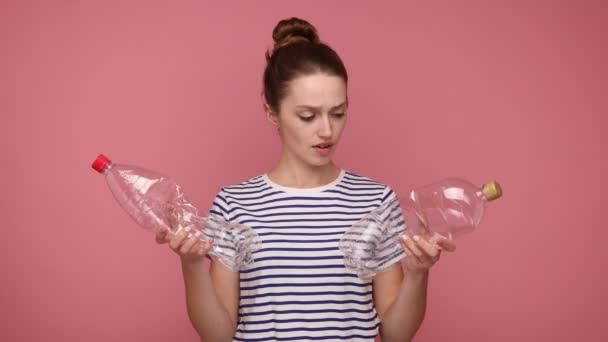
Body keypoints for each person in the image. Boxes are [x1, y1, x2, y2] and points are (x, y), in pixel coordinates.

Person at [155, 17, 455, 342]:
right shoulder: (234, 204)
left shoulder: (376, 201)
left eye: (338, 113)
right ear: (272, 113)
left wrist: (417, 273)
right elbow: (217, 336)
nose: (327, 130)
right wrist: (192, 266)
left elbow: (397, 335)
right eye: (308, 116)